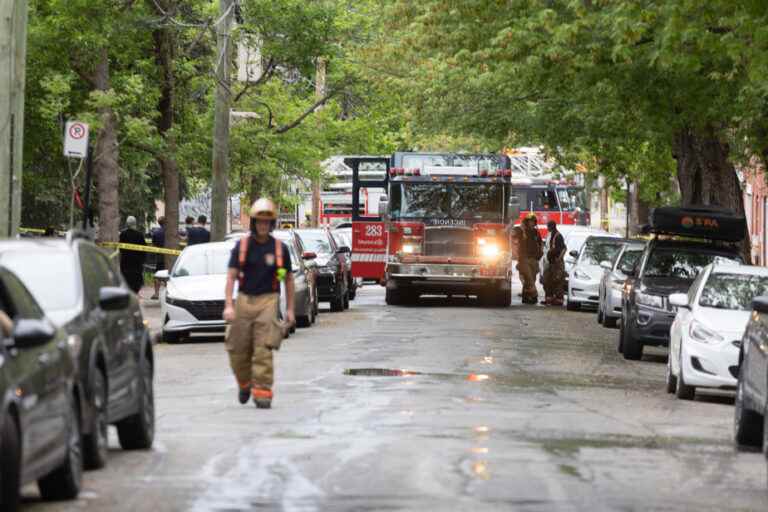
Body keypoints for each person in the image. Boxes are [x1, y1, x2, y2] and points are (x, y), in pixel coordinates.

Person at [223, 198, 295, 409]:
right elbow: (231, 277)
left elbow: (288, 280)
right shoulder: (242, 247)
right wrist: (228, 305)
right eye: (259, 222)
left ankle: (262, 391)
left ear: (272, 224)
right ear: (253, 223)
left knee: (263, 349)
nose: (263, 226)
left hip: (268, 301)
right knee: (237, 348)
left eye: (267, 222)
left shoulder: (280, 249)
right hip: (244, 300)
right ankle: (245, 383)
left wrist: (290, 310)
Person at [517, 213, 543, 304]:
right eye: (530, 221)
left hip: (534, 259)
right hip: (525, 258)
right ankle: (529, 296)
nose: (531, 223)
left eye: (533, 221)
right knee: (528, 278)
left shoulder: (536, 232)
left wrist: (540, 254)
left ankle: (529, 296)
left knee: (533, 278)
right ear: (527, 222)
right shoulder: (523, 231)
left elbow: (540, 244)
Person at [119, 216, 147, 295]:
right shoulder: (140, 235)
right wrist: (143, 260)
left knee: (126, 278)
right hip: (137, 262)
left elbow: (121, 248)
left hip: (126, 261)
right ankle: (135, 293)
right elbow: (144, 249)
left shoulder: (123, 234)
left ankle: (127, 292)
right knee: (136, 278)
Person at [542, 220, 567, 306]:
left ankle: (559, 299)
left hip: (556, 263)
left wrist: (559, 259)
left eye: (548, 226)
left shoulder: (558, 236)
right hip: (549, 262)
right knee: (546, 280)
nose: (547, 228)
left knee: (558, 280)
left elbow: (563, 249)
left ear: (551, 227)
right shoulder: (550, 235)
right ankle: (549, 298)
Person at [151, 217, 166, 300]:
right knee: (169, 275)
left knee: (157, 275)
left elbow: (153, 246)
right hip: (169, 257)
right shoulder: (170, 232)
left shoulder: (156, 233)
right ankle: (169, 293)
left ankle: (156, 293)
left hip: (159, 256)